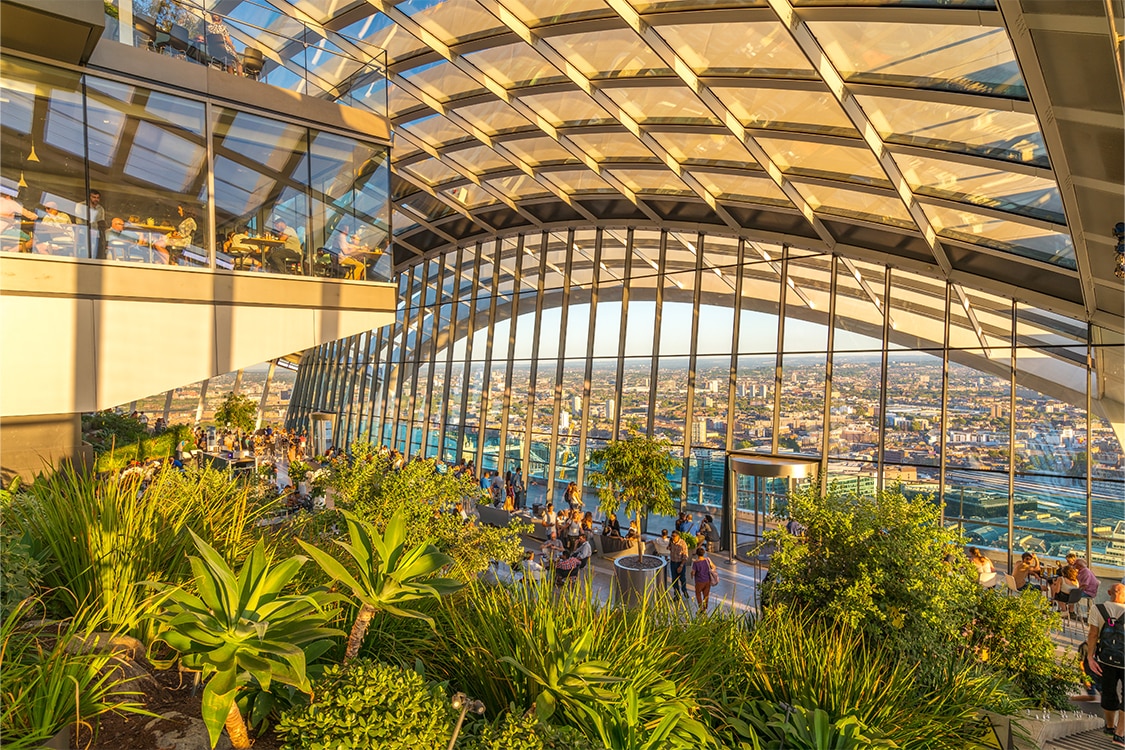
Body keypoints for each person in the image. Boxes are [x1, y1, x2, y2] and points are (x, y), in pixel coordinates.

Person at [1086, 582, 1125, 746]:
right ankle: (1120, 734)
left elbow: (1093, 635)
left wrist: (1090, 657)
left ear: (1108, 592)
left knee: (1108, 693)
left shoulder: (1098, 608)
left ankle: (1110, 726)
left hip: (1104, 660)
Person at [74, 189, 106, 258]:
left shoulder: (100, 209)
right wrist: (89, 230)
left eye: (97, 198)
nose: (96, 199)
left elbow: (101, 222)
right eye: (94, 197)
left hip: (96, 233)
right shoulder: (81, 205)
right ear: (89, 197)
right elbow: (79, 222)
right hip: (83, 232)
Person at [691, 546, 717, 614]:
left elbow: (693, 572)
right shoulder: (707, 560)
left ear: (697, 554)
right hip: (707, 580)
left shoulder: (696, 563)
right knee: (706, 595)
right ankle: (705, 608)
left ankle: (700, 608)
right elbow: (714, 567)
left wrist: (692, 574)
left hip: (699, 581)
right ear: (703, 553)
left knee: (698, 594)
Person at [669, 530, 689, 600]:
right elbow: (670, 548)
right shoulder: (671, 541)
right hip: (673, 562)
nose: (672, 537)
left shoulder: (682, 543)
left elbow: (685, 555)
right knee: (674, 580)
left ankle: (684, 591)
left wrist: (681, 565)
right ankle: (677, 595)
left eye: (674, 536)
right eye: (672, 536)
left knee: (682, 578)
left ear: (678, 536)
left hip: (680, 563)